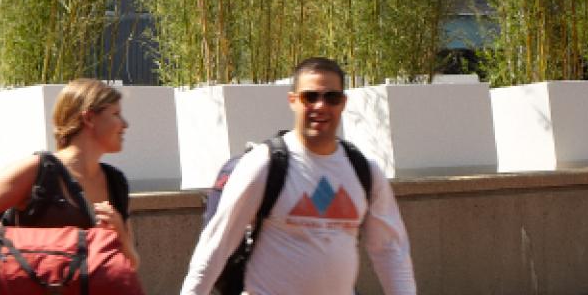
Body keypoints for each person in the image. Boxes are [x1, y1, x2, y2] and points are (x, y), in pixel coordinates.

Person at [176, 57, 415, 295]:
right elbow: (217, 244)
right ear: (293, 101)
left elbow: (390, 251)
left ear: (343, 103)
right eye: (310, 97)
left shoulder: (365, 171)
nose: (320, 106)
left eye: (331, 98)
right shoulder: (265, 164)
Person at [0, 78, 140, 273]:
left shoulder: (116, 182)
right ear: (88, 118)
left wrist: (121, 234)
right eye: (116, 113)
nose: (125, 124)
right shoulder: (39, 171)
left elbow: (131, 265)